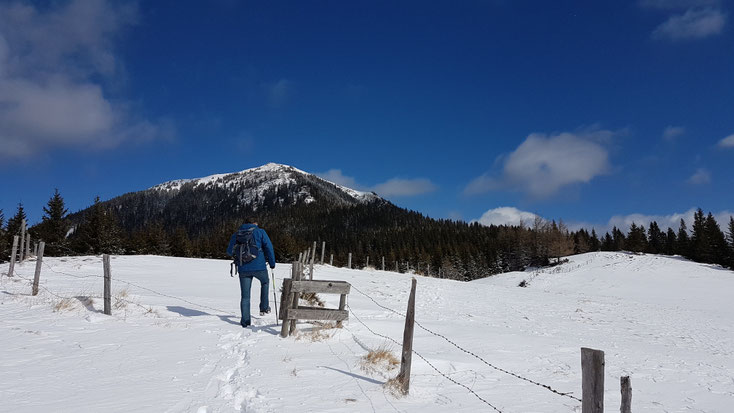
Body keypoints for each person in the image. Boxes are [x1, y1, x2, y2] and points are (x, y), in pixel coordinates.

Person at [226, 217, 276, 328]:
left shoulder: (237, 234)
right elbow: (269, 247)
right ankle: (264, 307)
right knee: (265, 282)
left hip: (243, 268)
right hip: (259, 267)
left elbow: (229, 251)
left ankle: (245, 321)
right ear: (255, 223)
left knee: (245, 297)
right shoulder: (260, 232)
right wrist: (272, 263)